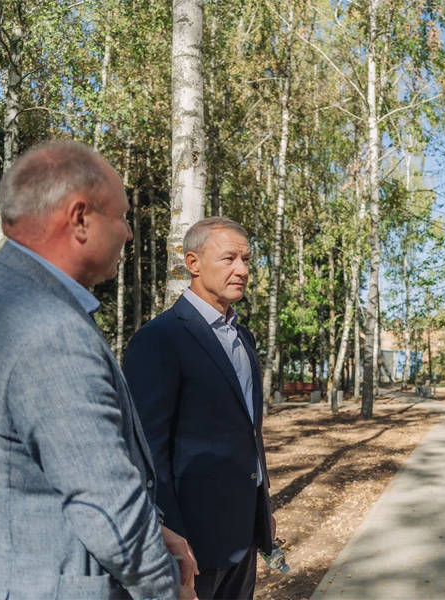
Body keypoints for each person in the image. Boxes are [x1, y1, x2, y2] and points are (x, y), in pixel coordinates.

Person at [0, 141, 197, 599]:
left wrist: (155, 526)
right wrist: (166, 590)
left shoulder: (6, 298)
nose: (128, 233)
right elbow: (108, 508)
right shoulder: (48, 330)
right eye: (122, 216)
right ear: (80, 218)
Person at [124, 217, 275, 600]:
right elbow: (146, 451)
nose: (241, 270)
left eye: (246, 259)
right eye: (228, 259)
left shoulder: (243, 337)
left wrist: (262, 513)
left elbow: (247, 434)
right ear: (193, 263)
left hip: (242, 537)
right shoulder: (159, 339)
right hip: (190, 544)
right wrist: (169, 540)